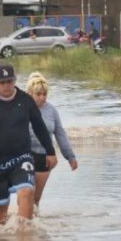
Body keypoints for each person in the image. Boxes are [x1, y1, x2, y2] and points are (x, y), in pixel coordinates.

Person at [0, 64, 58, 225]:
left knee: (27, 192)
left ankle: (24, 237)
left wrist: (50, 151)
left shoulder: (25, 100)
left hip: (21, 158)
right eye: (2, 82)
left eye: (10, 81)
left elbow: (39, 127)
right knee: (0, 211)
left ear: (15, 80)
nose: (7, 86)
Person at [25, 72, 78, 213]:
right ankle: (21, 222)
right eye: (38, 94)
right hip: (25, 155)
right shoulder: (22, 109)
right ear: (29, 93)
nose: (42, 97)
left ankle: (33, 226)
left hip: (44, 157)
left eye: (45, 94)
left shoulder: (52, 111)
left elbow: (60, 134)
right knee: (26, 194)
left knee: (35, 198)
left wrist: (70, 156)